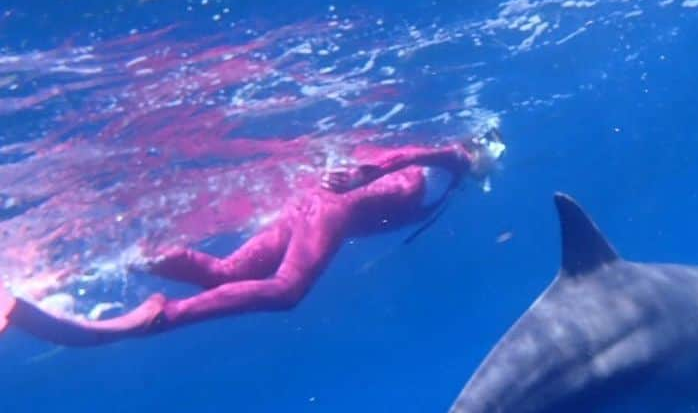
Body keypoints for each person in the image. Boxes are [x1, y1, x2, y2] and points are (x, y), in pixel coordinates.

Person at [0, 131, 504, 347]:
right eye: (489, 157)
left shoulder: (448, 191)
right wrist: (369, 171)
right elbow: (430, 152)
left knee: (231, 272)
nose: (487, 167)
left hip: (318, 203)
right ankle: (162, 316)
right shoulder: (456, 162)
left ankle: (120, 259)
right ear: (478, 151)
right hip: (336, 205)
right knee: (286, 292)